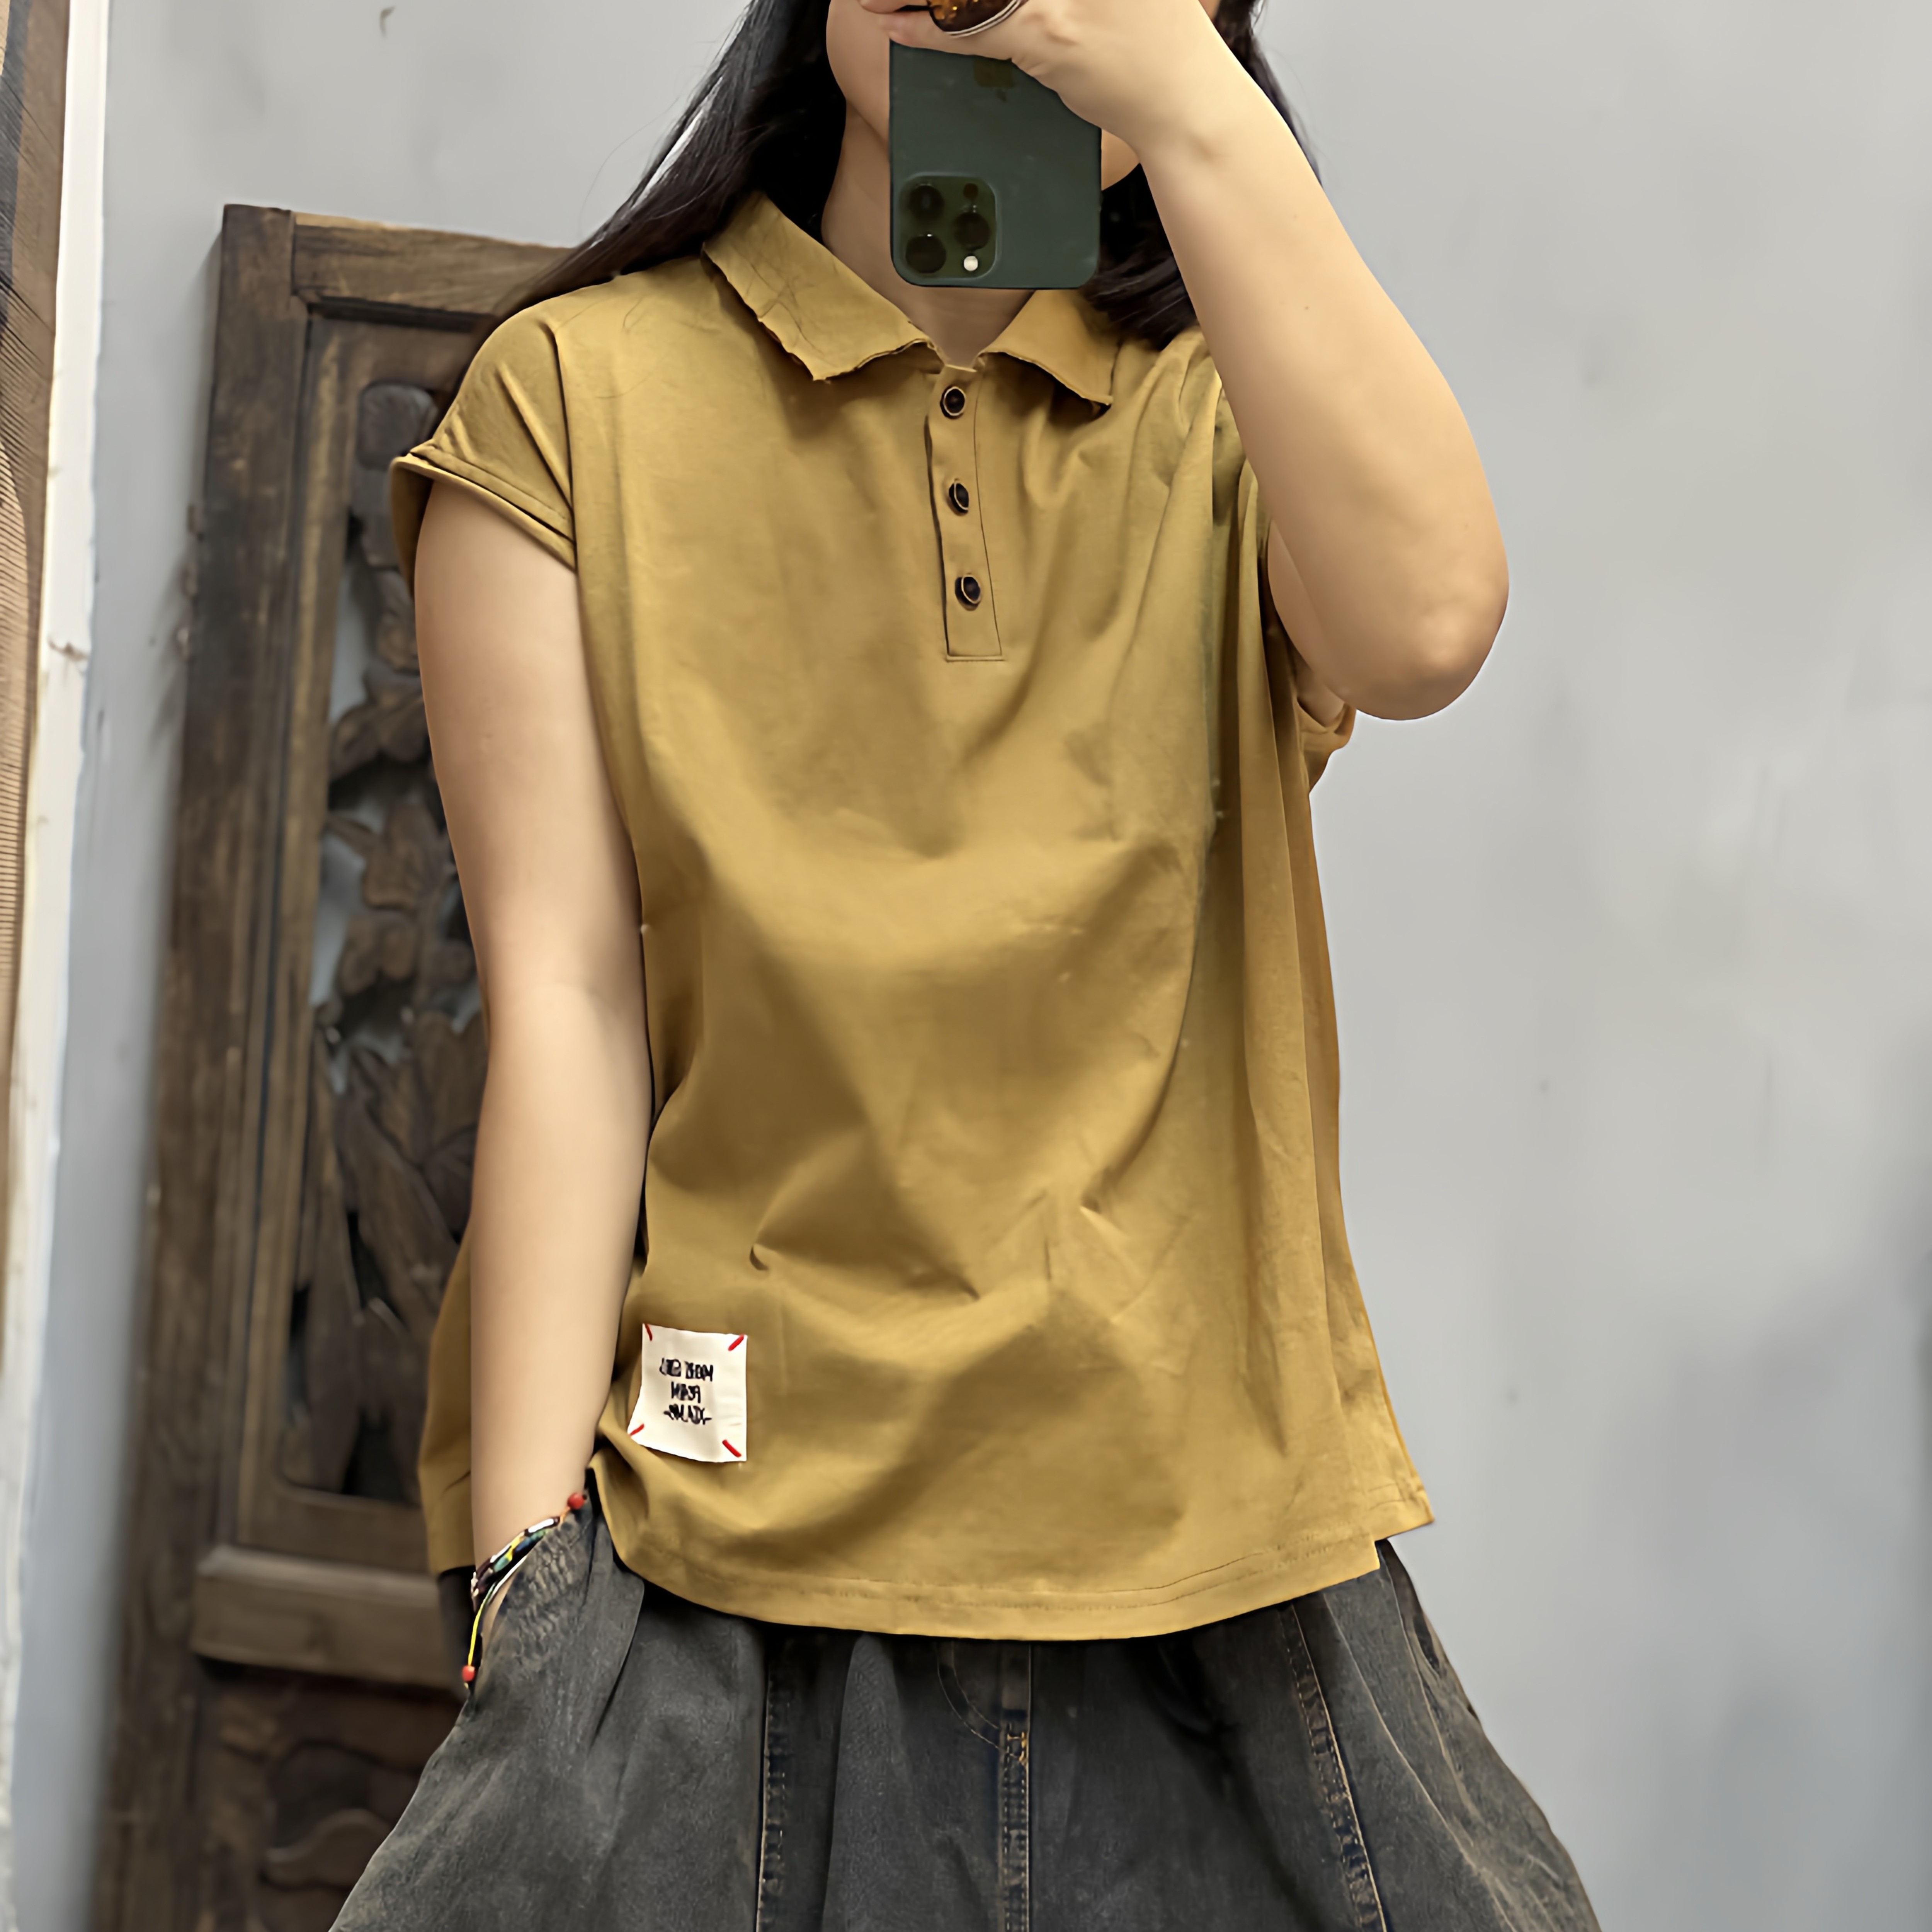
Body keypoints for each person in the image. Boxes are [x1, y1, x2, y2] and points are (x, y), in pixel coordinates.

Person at [338, 0, 1600, 1925]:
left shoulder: (1233, 412)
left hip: (1221, 1586)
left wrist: (1180, 94)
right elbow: (570, 1007)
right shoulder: (574, 395)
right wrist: (527, 1586)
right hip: (724, 1573)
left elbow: (1426, 626)